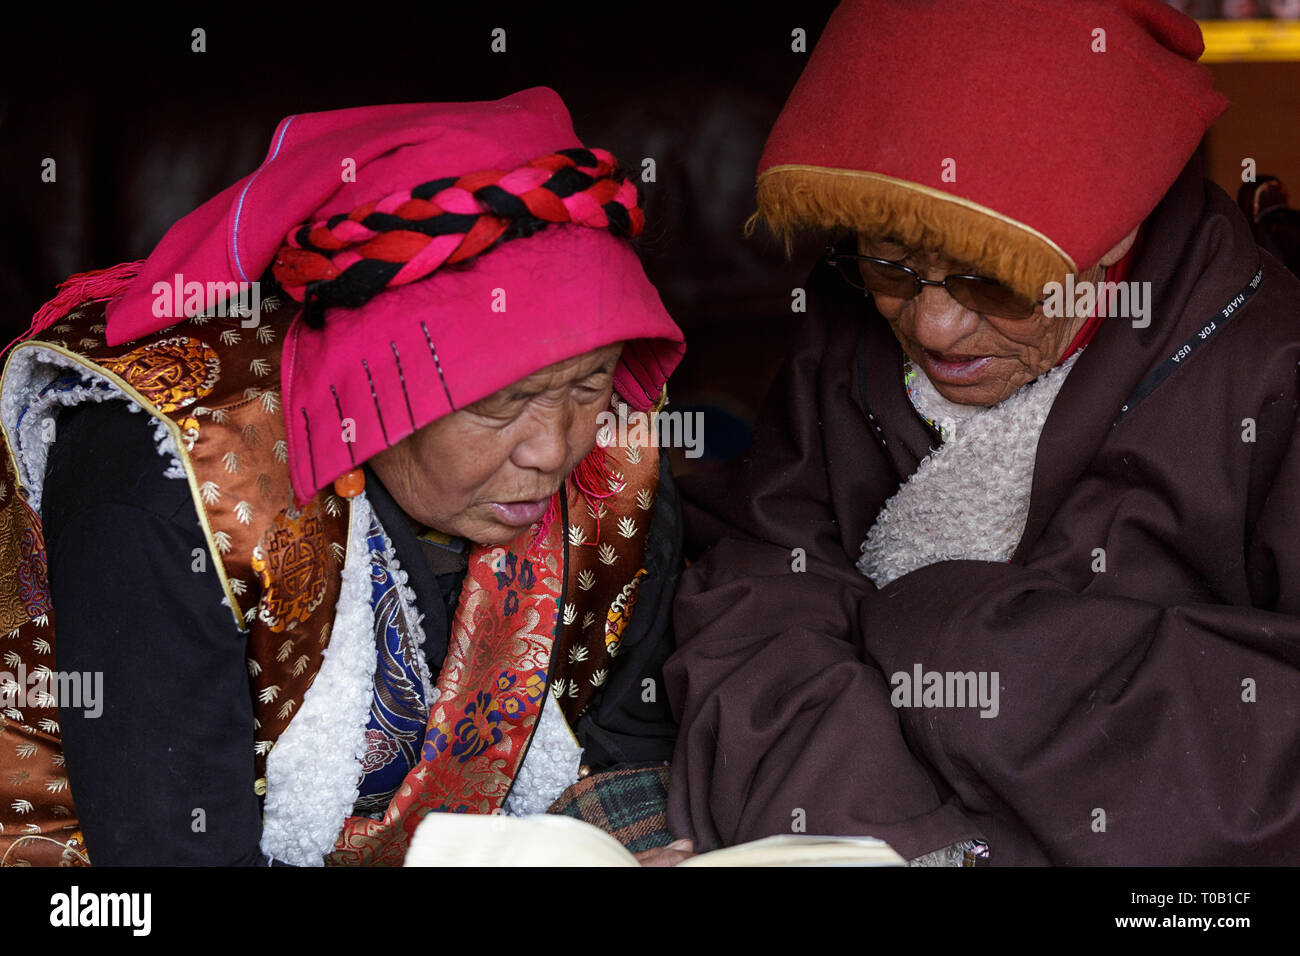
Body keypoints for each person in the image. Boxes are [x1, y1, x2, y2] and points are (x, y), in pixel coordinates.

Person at [663, 0, 1300, 865]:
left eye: (994, 280)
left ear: (1118, 236)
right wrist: (879, 836)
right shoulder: (848, 325)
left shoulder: (1268, 373)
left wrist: (948, 638)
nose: (932, 329)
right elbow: (762, 586)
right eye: (889, 262)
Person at [0, 88, 686, 866]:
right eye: (502, 405)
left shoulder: (613, 452)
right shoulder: (170, 481)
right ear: (368, 382)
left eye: (587, 386)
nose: (553, 449)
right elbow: (172, 857)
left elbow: (625, 741)